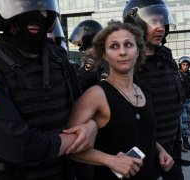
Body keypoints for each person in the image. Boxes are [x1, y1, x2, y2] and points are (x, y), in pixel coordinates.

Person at [0, 0, 97, 179]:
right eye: (23, 7)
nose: (35, 16)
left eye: (41, 7)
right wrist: (75, 140)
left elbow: (80, 111)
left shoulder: (58, 59)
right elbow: (17, 146)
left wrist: (91, 126)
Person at [67, 20, 174, 180]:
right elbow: (69, 146)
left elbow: (142, 133)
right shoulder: (96, 94)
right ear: (104, 54)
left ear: (138, 51)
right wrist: (109, 160)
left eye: (128, 45)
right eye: (114, 46)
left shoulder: (145, 92)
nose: (122, 52)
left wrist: (160, 150)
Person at [123, 0, 187, 179]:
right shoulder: (126, 62)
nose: (160, 27)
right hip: (141, 151)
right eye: (153, 21)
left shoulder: (166, 56)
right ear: (136, 24)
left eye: (162, 20)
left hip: (171, 146)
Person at [69, 20, 109, 91]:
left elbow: (80, 81)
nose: (78, 41)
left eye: (80, 36)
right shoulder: (98, 56)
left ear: (88, 37)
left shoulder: (92, 60)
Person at [178, 56, 190, 151]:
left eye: (187, 64)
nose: (185, 66)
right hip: (180, 102)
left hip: (188, 101)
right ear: (180, 65)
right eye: (183, 64)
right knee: (182, 123)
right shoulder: (176, 75)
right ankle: (179, 143)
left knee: (188, 122)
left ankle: (186, 141)